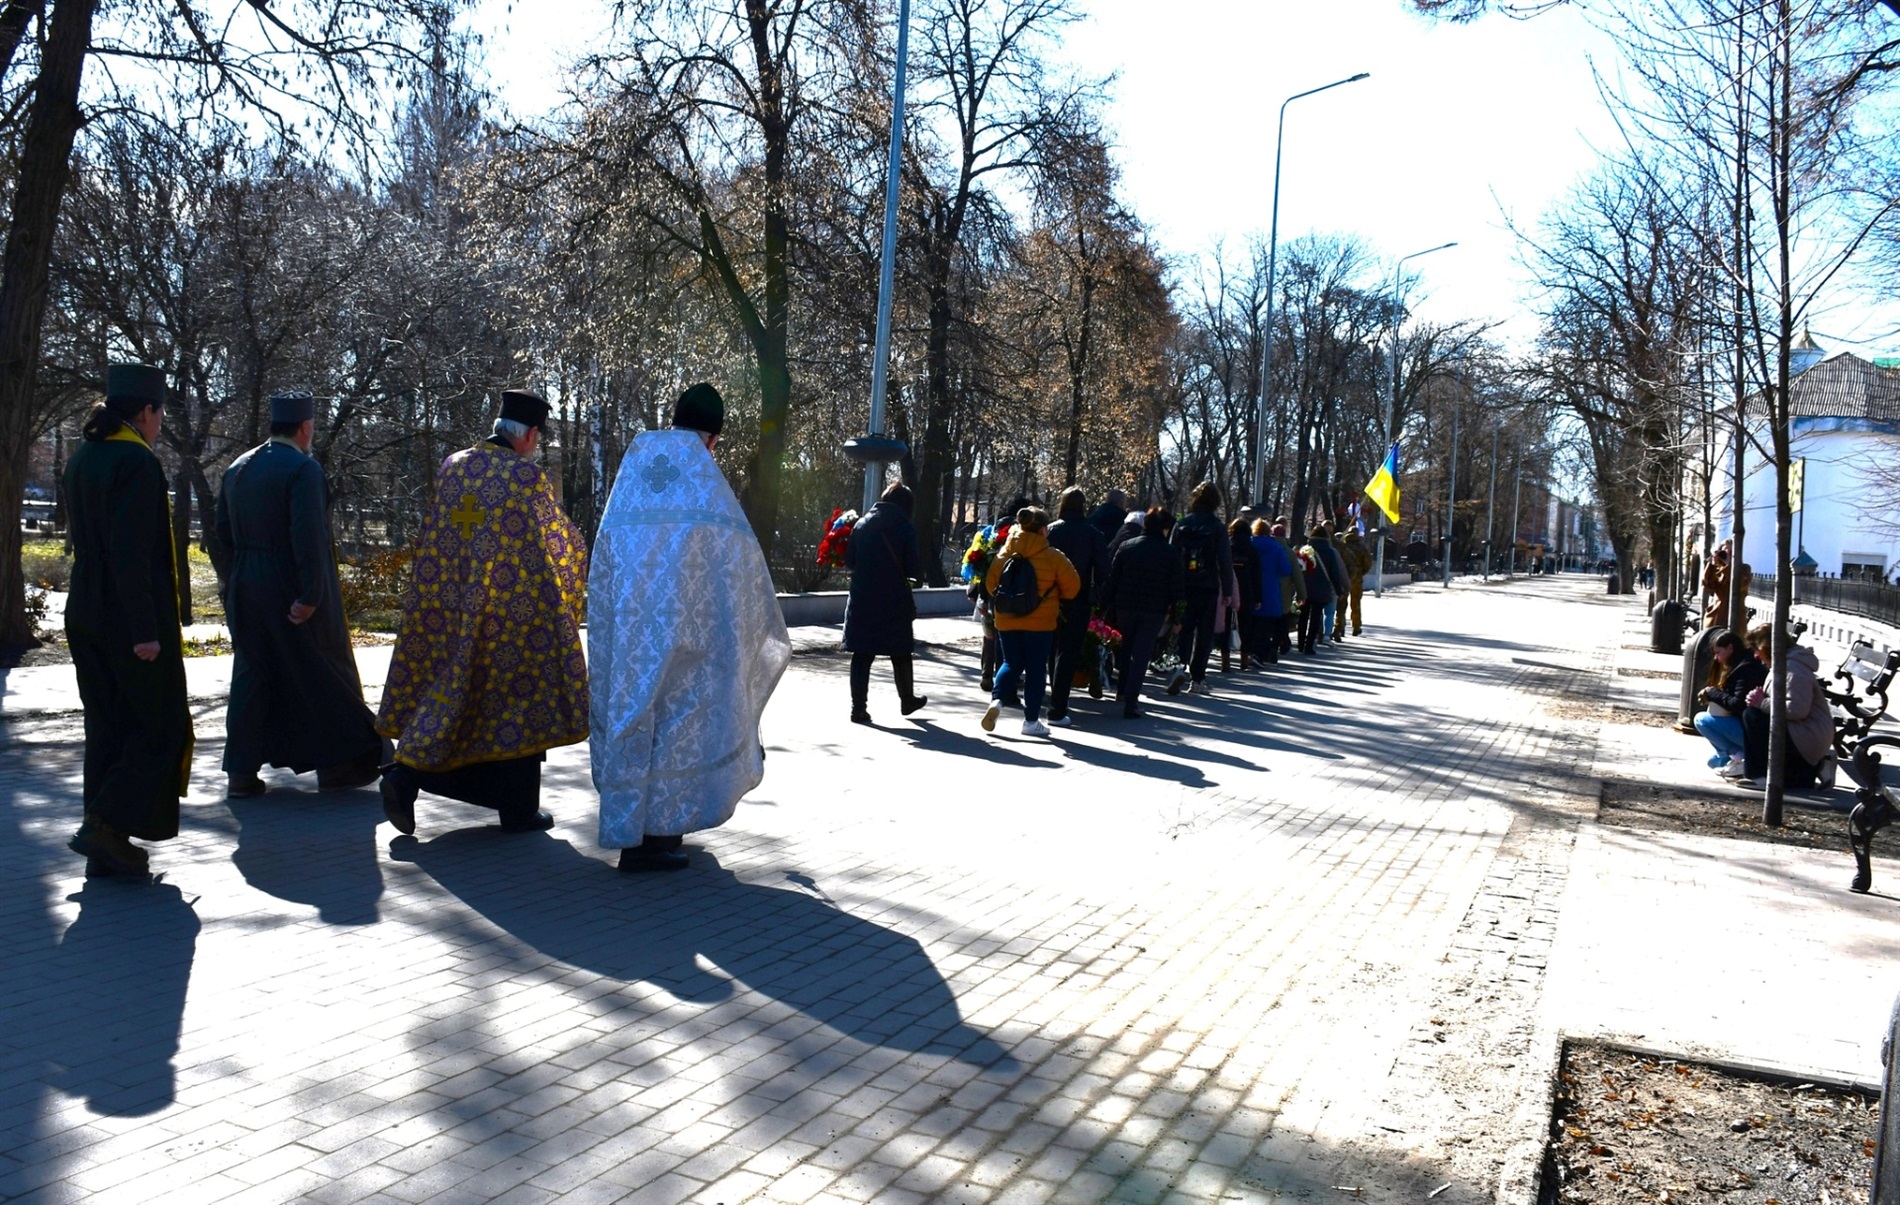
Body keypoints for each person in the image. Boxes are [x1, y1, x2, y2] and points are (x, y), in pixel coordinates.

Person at [589, 383, 792, 871]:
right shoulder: (704, 482)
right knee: (680, 725)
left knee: (633, 718)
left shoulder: (635, 466)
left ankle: (630, 829)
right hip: (689, 635)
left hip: (629, 631)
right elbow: (738, 561)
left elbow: (606, 548)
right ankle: (657, 839)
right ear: (713, 437)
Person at [376, 389, 590, 837]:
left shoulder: (453, 466)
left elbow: (437, 536)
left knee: (454, 698)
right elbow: (558, 542)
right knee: (516, 704)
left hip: (449, 608)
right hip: (507, 615)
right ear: (529, 434)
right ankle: (515, 809)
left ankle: (407, 775)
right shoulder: (525, 477)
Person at [215, 389, 384, 799]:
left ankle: (240, 772)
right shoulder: (303, 470)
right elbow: (309, 536)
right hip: (287, 584)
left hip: (245, 583)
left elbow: (220, 536)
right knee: (321, 671)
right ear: (305, 427)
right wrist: (311, 594)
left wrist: (232, 584)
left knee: (253, 674)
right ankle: (341, 765)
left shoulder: (237, 468)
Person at [62, 364, 194, 878]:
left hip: (85, 605)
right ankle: (106, 825)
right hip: (128, 614)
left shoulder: (85, 456)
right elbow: (132, 554)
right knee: (159, 725)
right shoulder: (136, 461)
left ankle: (106, 845)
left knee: (107, 725)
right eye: (160, 415)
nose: (160, 426)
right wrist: (145, 631)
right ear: (146, 411)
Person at [981, 506, 1081, 737]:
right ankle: (1031, 721)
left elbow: (990, 584)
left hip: (1007, 619)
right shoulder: (1053, 556)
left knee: (1010, 663)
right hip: (1040, 622)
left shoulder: (1004, 554)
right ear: (1044, 530)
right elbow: (1073, 588)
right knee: (1036, 668)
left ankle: (997, 701)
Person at [843, 481, 927, 725]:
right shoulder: (904, 527)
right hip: (893, 600)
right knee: (900, 652)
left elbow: (849, 561)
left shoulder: (861, 524)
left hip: (862, 599)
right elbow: (912, 567)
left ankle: (858, 709)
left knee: (862, 654)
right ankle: (907, 700)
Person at [1103, 507, 1184, 719]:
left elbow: (1113, 579)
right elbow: (1177, 588)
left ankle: (1122, 690)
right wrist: (1178, 617)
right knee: (1141, 654)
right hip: (1153, 609)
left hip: (1125, 606)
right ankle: (1131, 701)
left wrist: (1104, 605)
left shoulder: (1126, 546)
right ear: (1164, 528)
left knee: (1126, 648)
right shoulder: (1170, 553)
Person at [1736, 623, 1832, 790]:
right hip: (1805, 732)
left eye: (1756, 650)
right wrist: (1760, 698)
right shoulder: (1784, 664)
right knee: (1753, 714)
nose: (1756, 656)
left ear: (1766, 648)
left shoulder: (1793, 669)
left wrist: (1761, 703)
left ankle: (1759, 775)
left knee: (1753, 716)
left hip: (1809, 734)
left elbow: (1797, 710)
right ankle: (1814, 768)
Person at [1046, 487, 1109, 727]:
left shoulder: (1051, 530)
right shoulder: (1093, 534)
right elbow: (1103, 570)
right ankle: (1058, 706)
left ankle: (1053, 694)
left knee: (1051, 647)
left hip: (1050, 597)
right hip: (1079, 598)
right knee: (1069, 650)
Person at [1169, 481, 1233, 695]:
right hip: (1208, 585)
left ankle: (1180, 666)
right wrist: (1227, 591)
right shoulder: (1218, 527)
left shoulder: (1182, 524)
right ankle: (1198, 679)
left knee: (1183, 628)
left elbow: (1172, 555)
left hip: (1184, 585)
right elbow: (1224, 561)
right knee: (1205, 634)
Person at [1694, 630, 1762, 778]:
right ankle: (1734, 756)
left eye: (1718, 652)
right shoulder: (1741, 665)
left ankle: (1740, 757)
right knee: (1714, 762)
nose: (1716, 658)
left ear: (1730, 648)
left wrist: (1713, 693)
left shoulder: (1745, 669)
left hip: (1751, 731)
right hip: (1748, 726)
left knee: (1701, 720)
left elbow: (1737, 704)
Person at [1248, 519, 1298, 666]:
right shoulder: (1276, 548)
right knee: (1265, 627)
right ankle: (1259, 654)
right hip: (1270, 591)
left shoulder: (1249, 544)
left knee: (1250, 624)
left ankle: (1248, 652)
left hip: (1250, 590)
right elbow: (1285, 570)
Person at [1296, 527, 1335, 654]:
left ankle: (1300, 643)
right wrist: (1339, 589)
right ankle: (1309, 646)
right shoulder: (1330, 552)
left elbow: (1298, 568)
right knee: (1316, 618)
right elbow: (1334, 573)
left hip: (1305, 588)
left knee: (1303, 616)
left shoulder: (1305, 550)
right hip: (1321, 590)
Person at [1311, 524, 1351, 647]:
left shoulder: (1307, 550)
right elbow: (1340, 570)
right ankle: (1327, 635)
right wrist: (1346, 587)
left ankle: (1315, 635)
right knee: (1329, 612)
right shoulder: (1333, 552)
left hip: (1311, 587)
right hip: (1330, 587)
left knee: (1315, 612)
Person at [1228, 516, 1260, 668]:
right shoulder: (1252, 550)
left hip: (1229, 591)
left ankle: (1225, 660)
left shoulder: (1228, 547)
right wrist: (1258, 598)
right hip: (1247, 592)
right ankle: (1244, 659)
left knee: (1227, 625)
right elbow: (1257, 575)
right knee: (1246, 626)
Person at [1701, 541, 1751, 630]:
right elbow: (1708, 586)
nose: (1728, 555)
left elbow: (1741, 584)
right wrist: (1712, 564)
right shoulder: (1717, 569)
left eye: (1731, 552)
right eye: (1724, 552)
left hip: (1736, 616)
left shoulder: (1744, 568)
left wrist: (1729, 565)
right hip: (1716, 615)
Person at [1337, 528, 1373, 637]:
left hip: (1343, 577)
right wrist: (1360, 572)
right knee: (1355, 603)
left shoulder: (1343, 545)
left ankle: (1339, 626)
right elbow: (1368, 563)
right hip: (1357, 579)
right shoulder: (1362, 547)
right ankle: (1356, 626)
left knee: (1341, 603)